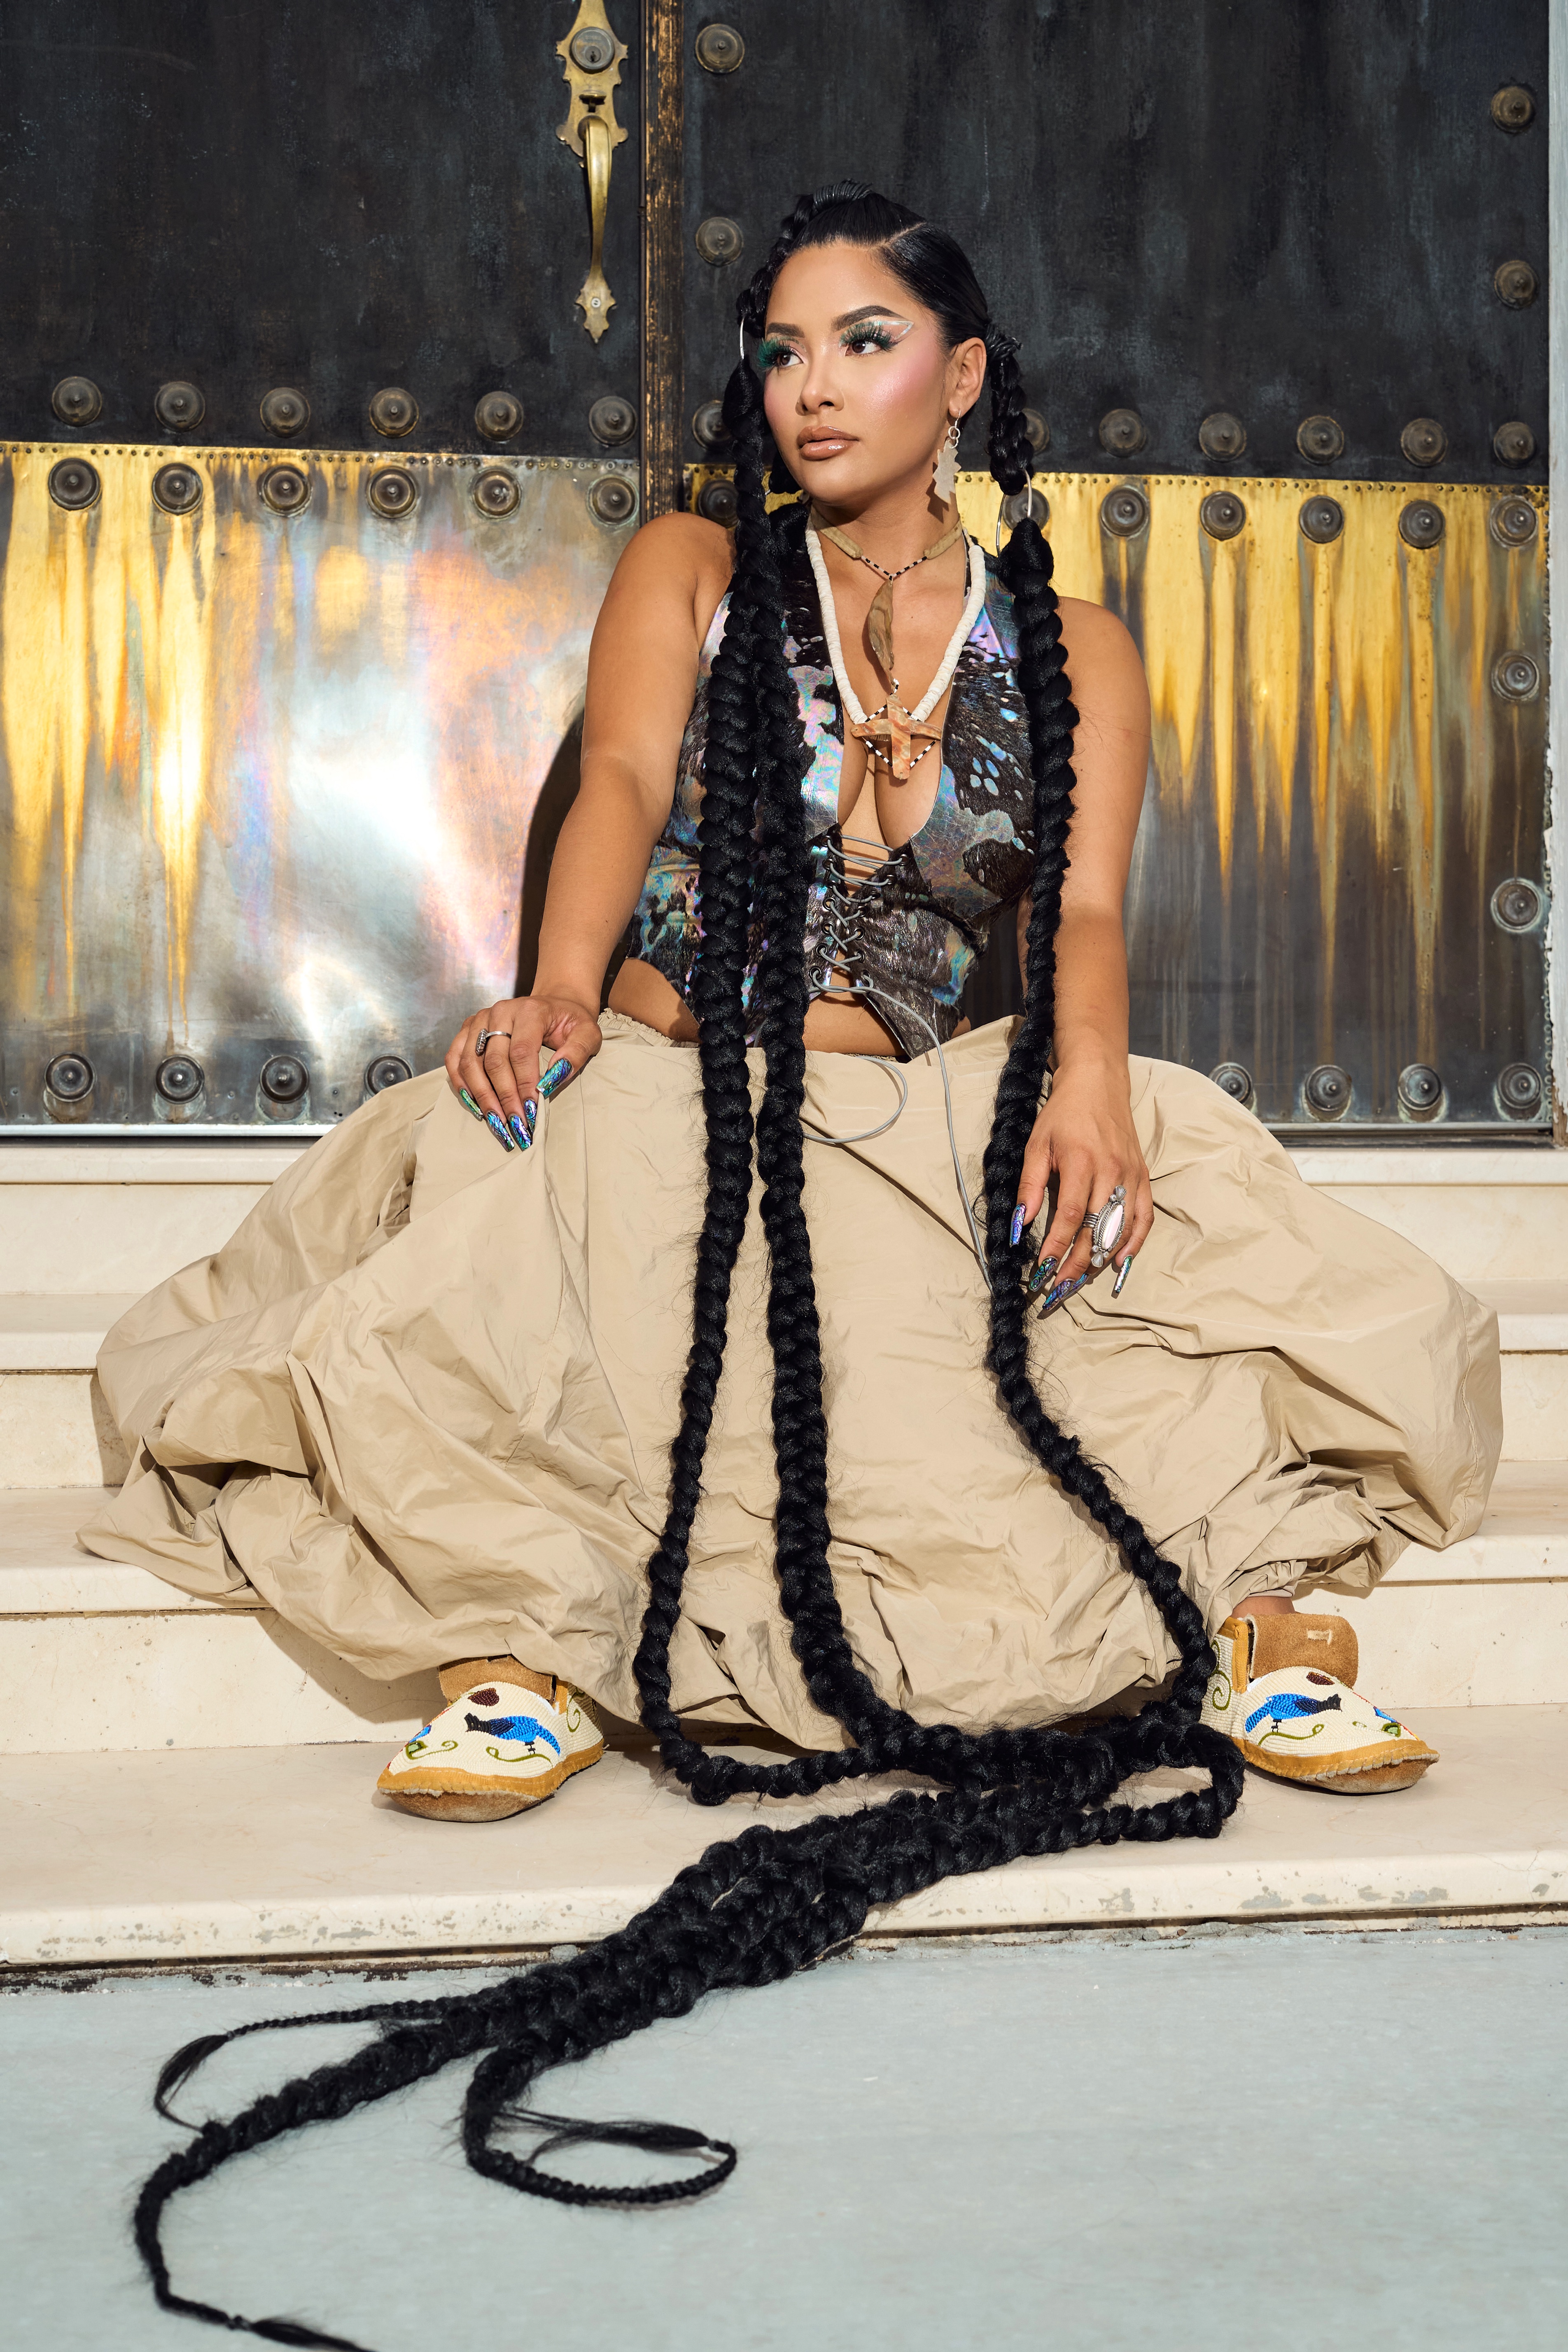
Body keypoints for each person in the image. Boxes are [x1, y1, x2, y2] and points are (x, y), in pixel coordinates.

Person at [112, 183, 1500, 2341]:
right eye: (780, 349)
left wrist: (1090, 1083)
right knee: (532, 1195)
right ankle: (531, 1643)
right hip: (679, 1068)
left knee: (1180, 1229)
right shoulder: (694, 569)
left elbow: (1085, 915)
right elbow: (617, 783)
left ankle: (1251, 1616)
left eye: (863, 342)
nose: (812, 387)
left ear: (962, 374)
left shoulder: (1076, 643)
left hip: (914, 1091)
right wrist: (555, 987)